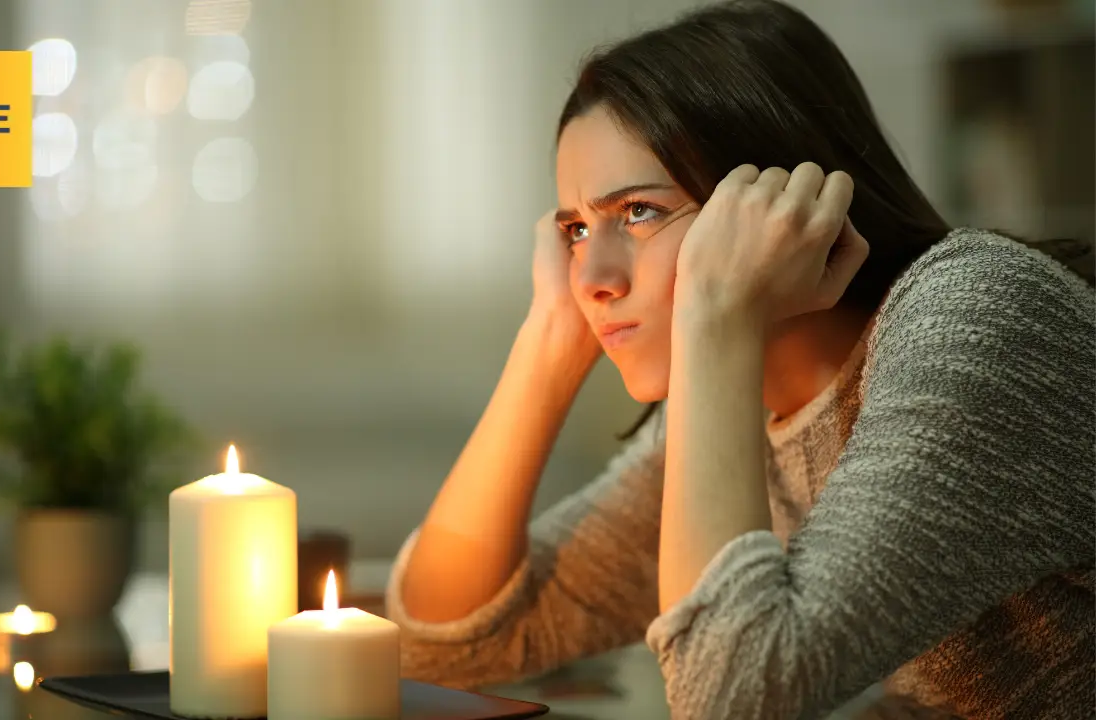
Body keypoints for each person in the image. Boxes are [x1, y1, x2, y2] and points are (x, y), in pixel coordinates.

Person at [382, 1, 1095, 718]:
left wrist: (717, 315)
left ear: (782, 204)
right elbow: (441, 647)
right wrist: (549, 337)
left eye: (637, 211)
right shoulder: (740, 402)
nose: (592, 272)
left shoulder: (979, 317)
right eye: (574, 227)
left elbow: (730, 700)